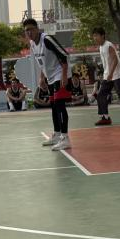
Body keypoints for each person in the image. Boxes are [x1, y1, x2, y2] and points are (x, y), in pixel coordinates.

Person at [23, 17, 72, 151]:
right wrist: (41, 78)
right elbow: (42, 62)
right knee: (54, 106)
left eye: (31, 29)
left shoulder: (47, 40)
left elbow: (64, 55)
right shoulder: (32, 44)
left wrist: (64, 75)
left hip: (60, 74)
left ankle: (65, 138)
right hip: (50, 77)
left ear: (37, 29)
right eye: (26, 30)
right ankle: (56, 134)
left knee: (60, 105)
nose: (29, 32)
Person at [91, 27, 120, 126]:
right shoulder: (101, 47)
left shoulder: (108, 45)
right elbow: (107, 63)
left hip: (117, 75)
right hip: (108, 75)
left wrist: (110, 73)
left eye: (96, 35)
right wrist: (106, 74)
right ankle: (105, 117)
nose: (95, 38)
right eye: (94, 36)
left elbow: (115, 60)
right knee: (101, 95)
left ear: (102, 35)